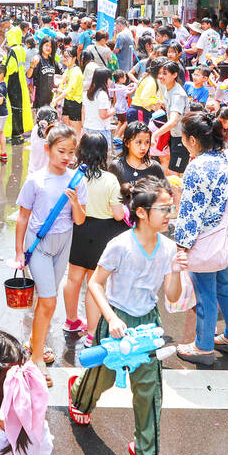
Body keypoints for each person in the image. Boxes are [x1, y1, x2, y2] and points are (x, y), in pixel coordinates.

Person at [69, 176, 186, 455]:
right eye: (164, 209)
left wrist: (176, 271)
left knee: (149, 390)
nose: (169, 214)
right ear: (142, 212)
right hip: (116, 318)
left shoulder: (168, 248)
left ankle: (146, 453)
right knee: (102, 375)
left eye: (171, 208)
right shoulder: (120, 244)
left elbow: (172, 297)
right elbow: (95, 283)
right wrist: (110, 318)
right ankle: (79, 396)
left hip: (148, 323)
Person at [14, 124, 87, 387]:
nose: (67, 157)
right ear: (47, 149)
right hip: (40, 245)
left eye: (71, 152)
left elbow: (80, 220)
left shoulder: (77, 180)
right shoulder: (35, 180)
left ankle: (35, 339)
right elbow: (23, 217)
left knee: (48, 300)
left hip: (63, 244)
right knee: (48, 300)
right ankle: (36, 360)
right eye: (61, 151)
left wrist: (75, 201)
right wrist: (19, 252)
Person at [174, 112, 228, 365]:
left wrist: (182, 245)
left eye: (183, 137)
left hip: (208, 240)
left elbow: (190, 212)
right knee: (224, 285)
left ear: (193, 140)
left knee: (204, 291)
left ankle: (203, 346)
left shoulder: (198, 166)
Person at [64, 132, 127, 347]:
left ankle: (71, 321)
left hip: (78, 227)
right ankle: (92, 333)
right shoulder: (110, 179)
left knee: (73, 278)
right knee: (94, 283)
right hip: (102, 233)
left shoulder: (74, 176)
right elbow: (118, 215)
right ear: (104, 153)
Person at [153, 61, 190, 174]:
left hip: (181, 138)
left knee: (175, 173)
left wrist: (155, 134)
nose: (161, 76)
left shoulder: (177, 94)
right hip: (174, 136)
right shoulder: (168, 89)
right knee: (174, 172)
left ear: (174, 75)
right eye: (160, 73)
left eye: (165, 73)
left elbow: (173, 121)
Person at [110, 121, 165, 185]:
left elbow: (165, 189)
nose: (143, 147)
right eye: (138, 142)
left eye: (147, 142)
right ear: (127, 143)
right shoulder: (116, 166)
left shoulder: (155, 168)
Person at [4, 25, 32, 145]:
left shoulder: (13, 50)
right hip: (20, 82)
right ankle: (18, 132)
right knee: (19, 108)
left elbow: (9, 68)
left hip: (13, 83)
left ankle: (13, 132)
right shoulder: (21, 49)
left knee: (13, 108)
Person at [52, 46, 84, 136]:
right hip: (67, 101)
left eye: (67, 57)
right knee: (67, 130)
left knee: (75, 132)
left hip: (75, 103)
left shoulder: (76, 71)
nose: (64, 58)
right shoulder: (67, 70)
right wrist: (57, 90)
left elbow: (70, 89)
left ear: (74, 58)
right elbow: (63, 86)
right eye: (64, 56)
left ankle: (77, 145)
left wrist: (57, 100)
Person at [83, 68, 115, 144]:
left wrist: (84, 126)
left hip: (88, 128)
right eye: (110, 79)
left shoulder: (87, 93)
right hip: (101, 130)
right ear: (105, 79)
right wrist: (113, 111)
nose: (111, 81)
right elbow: (103, 115)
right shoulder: (102, 95)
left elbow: (83, 111)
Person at [27, 37, 58, 112]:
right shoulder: (37, 59)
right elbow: (29, 75)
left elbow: (61, 73)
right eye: (46, 45)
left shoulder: (53, 61)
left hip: (51, 99)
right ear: (42, 46)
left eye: (51, 46)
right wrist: (32, 66)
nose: (48, 48)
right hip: (39, 98)